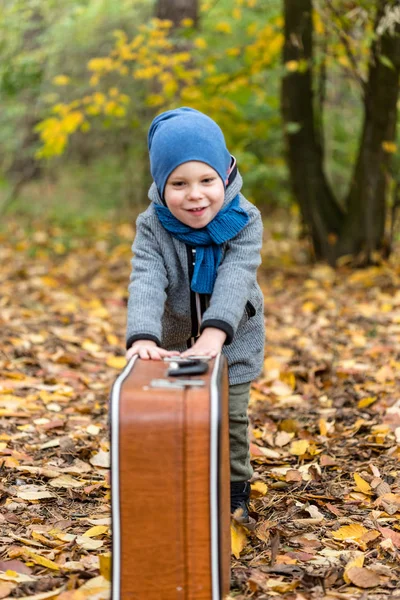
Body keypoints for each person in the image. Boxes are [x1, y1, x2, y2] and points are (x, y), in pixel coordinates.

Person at [125, 107, 265, 519]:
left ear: (224, 175)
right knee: (174, 411)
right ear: (159, 184)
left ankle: (234, 487)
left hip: (233, 339)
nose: (195, 195)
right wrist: (143, 337)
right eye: (179, 184)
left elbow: (237, 278)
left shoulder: (243, 218)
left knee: (231, 415)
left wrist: (214, 335)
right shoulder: (153, 225)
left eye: (206, 180)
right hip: (173, 340)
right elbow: (146, 279)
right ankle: (181, 478)